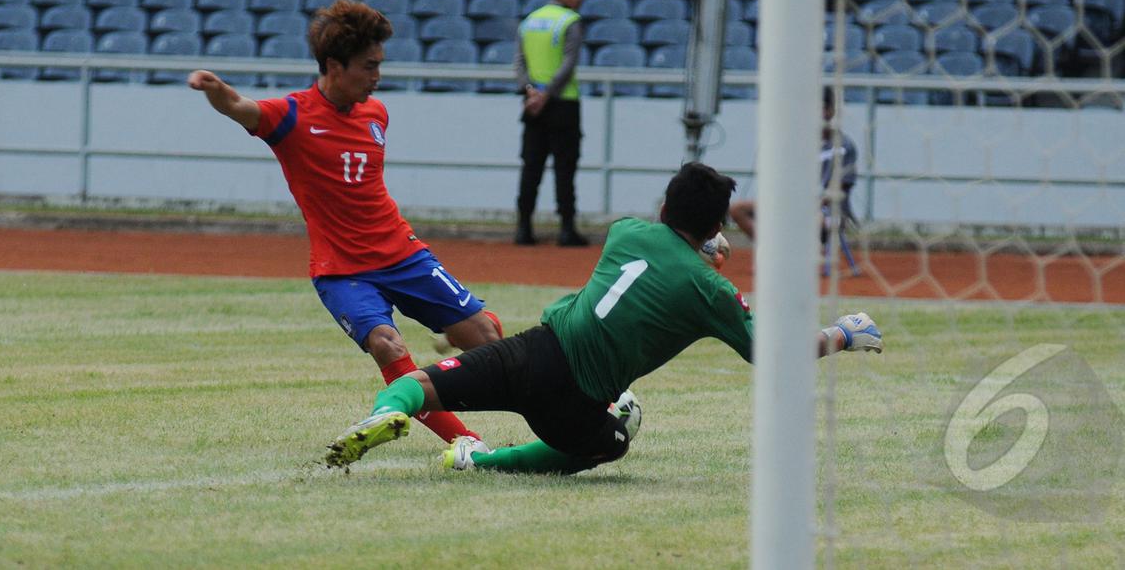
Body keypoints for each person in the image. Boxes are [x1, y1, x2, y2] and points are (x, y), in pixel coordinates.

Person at [324, 162, 883, 474]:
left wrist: (701, 249)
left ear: (664, 210)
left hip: (535, 350)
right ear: (718, 228)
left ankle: (385, 413)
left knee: (421, 383)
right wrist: (840, 334)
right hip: (576, 399)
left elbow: (664, 250)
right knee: (608, 442)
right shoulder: (711, 291)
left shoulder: (625, 230)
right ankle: (481, 462)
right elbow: (772, 353)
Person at [187, 0, 503, 446]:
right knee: (386, 344)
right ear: (334, 66)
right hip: (342, 271)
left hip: (403, 253)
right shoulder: (291, 116)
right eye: (368, 66)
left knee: (487, 336)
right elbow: (239, 106)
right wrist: (213, 87)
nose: (377, 77)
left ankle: (563, 400)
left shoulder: (377, 114)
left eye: (379, 65)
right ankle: (467, 444)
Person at [513, 0, 589, 247]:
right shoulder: (571, 21)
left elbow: (519, 63)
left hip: (532, 105)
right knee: (564, 168)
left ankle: (523, 228)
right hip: (562, 104)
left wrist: (530, 90)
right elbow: (569, 64)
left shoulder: (530, 21)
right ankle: (566, 229)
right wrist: (545, 94)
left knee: (531, 166)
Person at [728, 88, 858, 249]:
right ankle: (771, 251)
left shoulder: (845, 146)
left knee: (810, 218)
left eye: (823, 108)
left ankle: (800, 259)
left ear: (832, 111)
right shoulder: (799, 143)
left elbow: (841, 188)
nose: (818, 113)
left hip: (829, 211)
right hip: (794, 204)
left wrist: (812, 204)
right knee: (738, 209)